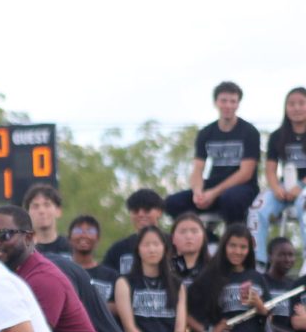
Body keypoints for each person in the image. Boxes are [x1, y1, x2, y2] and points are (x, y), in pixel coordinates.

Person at [165, 81, 262, 228]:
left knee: (230, 199)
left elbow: (246, 173)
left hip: (242, 188)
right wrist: (198, 192)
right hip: (212, 186)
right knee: (172, 202)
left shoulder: (249, 132)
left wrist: (213, 193)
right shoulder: (206, 133)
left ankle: (234, 240)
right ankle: (203, 239)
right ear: (216, 102)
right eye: (224, 101)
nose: (228, 105)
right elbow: (197, 169)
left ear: (238, 104)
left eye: (232, 101)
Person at [247, 88, 306, 267]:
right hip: (284, 186)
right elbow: (271, 169)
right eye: (291, 104)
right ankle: (258, 262)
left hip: (303, 188)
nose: (296, 108)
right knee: (256, 210)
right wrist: (276, 188)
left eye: (301, 103)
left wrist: (300, 186)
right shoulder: (277, 136)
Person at [103, 190, 166, 275]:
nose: (140, 214)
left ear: (159, 212)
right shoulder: (118, 249)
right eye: (135, 210)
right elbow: (105, 280)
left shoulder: (174, 244)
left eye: (147, 209)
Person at [68, 214, 118, 314]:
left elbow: (119, 308)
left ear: (98, 239)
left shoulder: (111, 276)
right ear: (69, 238)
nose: (84, 235)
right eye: (78, 231)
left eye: (90, 231)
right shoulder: (61, 271)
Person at [23, 184, 72, 256]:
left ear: (58, 211)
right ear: (28, 213)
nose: (41, 211)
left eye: (47, 205)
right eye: (35, 206)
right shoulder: (23, 250)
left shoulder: (72, 247)